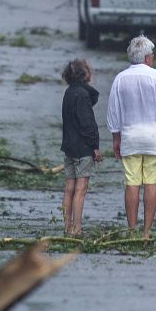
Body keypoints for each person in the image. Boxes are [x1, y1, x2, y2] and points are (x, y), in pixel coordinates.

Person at [106, 35, 156, 240]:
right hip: (155, 138)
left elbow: (113, 111)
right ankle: (146, 232)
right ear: (146, 58)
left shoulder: (120, 78)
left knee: (132, 183)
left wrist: (115, 137)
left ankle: (131, 230)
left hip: (130, 137)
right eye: (151, 55)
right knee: (151, 183)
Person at [60, 57, 102, 236]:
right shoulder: (83, 95)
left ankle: (66, 226)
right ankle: (77, 228)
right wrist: (95, 147)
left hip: (68, 147)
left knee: (69, 187)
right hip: (83, 148)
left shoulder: (69, 92)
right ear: (85, 74)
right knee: (80, 189)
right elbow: (87, 124)